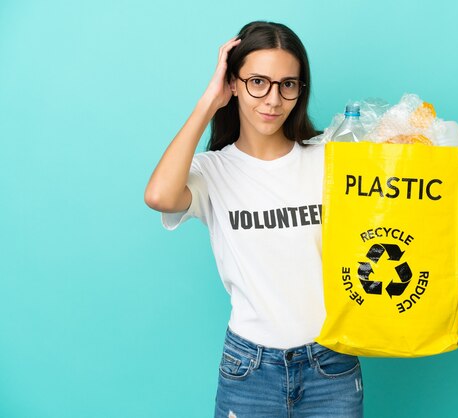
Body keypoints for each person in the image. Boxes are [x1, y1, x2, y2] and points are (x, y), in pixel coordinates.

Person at [144, 21, 364, 417]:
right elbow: (159, 196)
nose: (273, 100)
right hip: (250, 369)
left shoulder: (329, 158)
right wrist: (209, 101)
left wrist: (441, 299)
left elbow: (391, 220)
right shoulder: (212, 171)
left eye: (288, 84)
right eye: (258, 82)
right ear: (233, 84)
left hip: (329, 365)